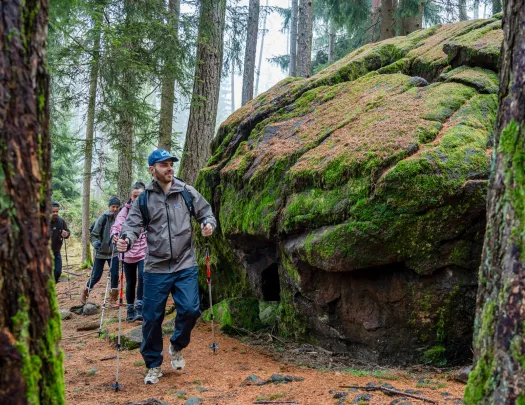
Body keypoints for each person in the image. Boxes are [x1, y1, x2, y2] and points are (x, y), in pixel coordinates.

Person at [117, 149, 216, 385]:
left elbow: (206, 212)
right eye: (164, 165)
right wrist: (126, 240)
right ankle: (153, 365)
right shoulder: (144, 199)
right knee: (151, 318)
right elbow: (132, 226)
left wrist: (208, 224)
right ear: (152, 170)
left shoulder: (185, 192)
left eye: (171, 164)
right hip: (156, 268)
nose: (170, 168)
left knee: (191, 310)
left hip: (185, 264)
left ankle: (177, 345)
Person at [110, 181, 147, 322]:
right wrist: (115, 235)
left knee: (143, 277)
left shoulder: (148, 208)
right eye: (135, 196)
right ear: (131, 196)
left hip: (144, 250)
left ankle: (140, 307)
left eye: (140, 196)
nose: (137, 199)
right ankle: (130, 308)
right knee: (130, 281)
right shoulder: (124, 211)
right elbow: (117, 225)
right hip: (127, 251)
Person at [81, 196, 121, 305]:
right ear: (109, 207)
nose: (115, 209)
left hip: (114, 252)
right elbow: (94, 234)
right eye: (113, 206)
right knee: (96, 275)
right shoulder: (102, 218)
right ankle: (86, 291)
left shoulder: (121, 218)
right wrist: (95, 243)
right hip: (101, 251)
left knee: (115, 274)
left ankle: (113, 298)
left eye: (117, 207)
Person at [50, 201, 70, 283]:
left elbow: (68, 232)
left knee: (58, 271)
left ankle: (52, 286)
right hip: (44, 253)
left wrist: (66, 234)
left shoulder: (61, 221)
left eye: (57, 211)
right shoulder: (43, 222)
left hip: (56, 251)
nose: (55, 213)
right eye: (53, 212)